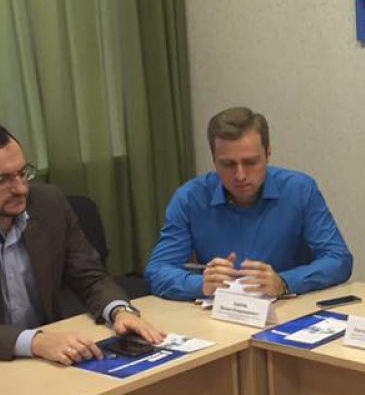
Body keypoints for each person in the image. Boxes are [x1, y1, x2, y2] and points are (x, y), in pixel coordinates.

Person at [0, 122, 165, 363]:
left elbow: (89, 276)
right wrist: (35, 341)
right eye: (2, 180)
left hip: (46, 357)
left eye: (22, 173)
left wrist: (119, 311)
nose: (20, 189)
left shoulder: (49, 203)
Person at [145, 106, 352, 299]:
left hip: (286, 309)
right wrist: (201, 285)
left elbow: (338, 259)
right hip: (218, 313)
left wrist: (284, 282)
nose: (240, 175)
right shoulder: (190, 198)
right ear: (214, 159)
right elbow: (157, 270)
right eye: (228, 164)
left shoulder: (300, 190)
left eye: (250, 162)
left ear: (267, 155)